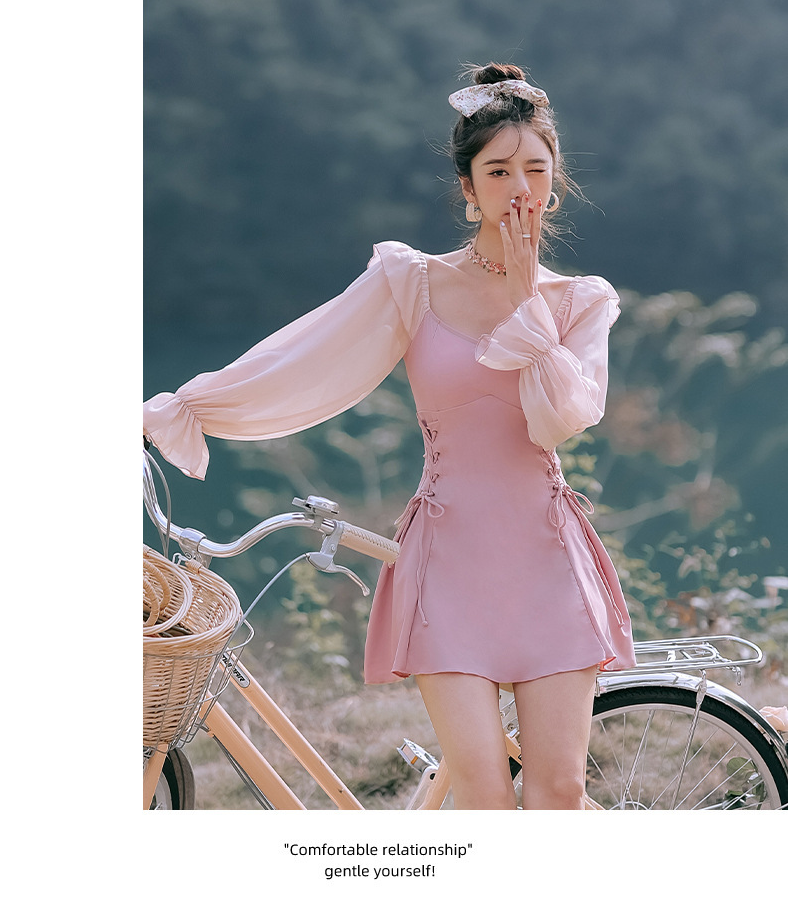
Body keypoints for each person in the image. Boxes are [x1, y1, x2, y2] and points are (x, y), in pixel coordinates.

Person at [143, 61, 636, 810]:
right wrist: (184, 409)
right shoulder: (413, 283)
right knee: (482, 790)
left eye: (535, 169)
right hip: (448, 559)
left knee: (559, 789)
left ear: (556, 182)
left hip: (548, 558)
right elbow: (304, 356)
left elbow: (560, 419)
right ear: (469, 189)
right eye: (498, 171)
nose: (519, 188)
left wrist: (523, 297)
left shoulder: (580, 303)